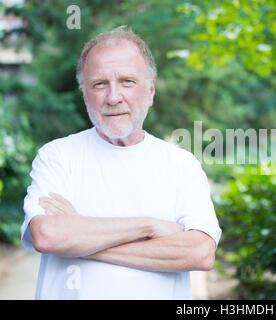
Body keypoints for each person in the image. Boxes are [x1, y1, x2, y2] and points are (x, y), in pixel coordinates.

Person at [20, 25, 221, 300]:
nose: (113, 97)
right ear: (85, 94)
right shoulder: (57, 156)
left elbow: (199, 252)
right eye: (99, 84)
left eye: (127, 81)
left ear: (150, 91)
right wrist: (149, 227)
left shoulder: (182, 165)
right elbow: (48, 237)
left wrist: (79, 236)